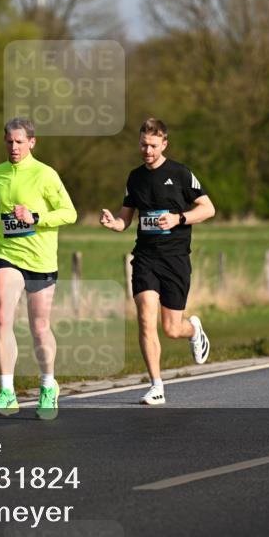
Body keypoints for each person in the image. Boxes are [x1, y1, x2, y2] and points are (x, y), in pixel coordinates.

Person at [100, 118, 214, 405]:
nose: (146, 150)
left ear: (164, 144)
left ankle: (194, 330)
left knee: (172, 328)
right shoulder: (135, 177)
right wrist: (115, 224)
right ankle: (156, 385)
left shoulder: (180, 173)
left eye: (152, 145)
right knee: (145, 318)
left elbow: (208, 208)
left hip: (175, 259)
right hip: (145, 258)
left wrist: (179, 218)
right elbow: (126, 218)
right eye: (142, 144)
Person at [0, 118, 77, 418]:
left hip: (40, 259)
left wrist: (35, 217)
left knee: (39, 327)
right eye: (9, 141)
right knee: (2, 316)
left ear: (32, 142)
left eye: (19, 142)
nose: (13, 147)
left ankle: (48, 385)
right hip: (8, 253)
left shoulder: (46, 175)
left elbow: (69, 213)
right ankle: (6, 392)